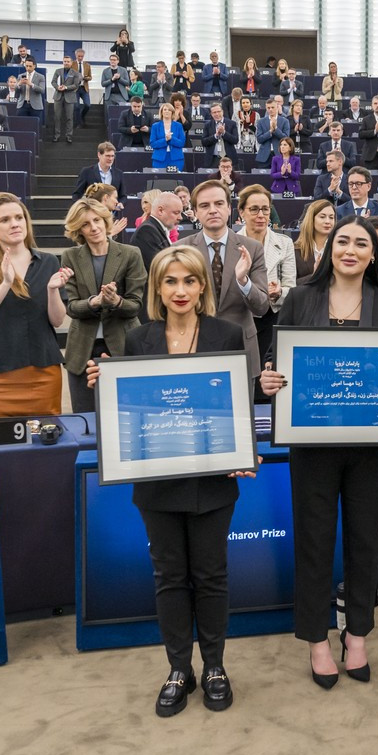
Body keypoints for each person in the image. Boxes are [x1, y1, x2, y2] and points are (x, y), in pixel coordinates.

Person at [86, 245, 253, 717]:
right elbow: (131, 412)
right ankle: (179, 669)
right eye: (170, 282)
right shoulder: (138, 340)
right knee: (169, 576)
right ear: (157, 289)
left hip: (214, 481)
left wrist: (241, 450)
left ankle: (215, 666)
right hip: (156, 482)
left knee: (212, 575)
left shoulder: (226, 334)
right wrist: (106, 385)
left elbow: (234, 405)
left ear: (203, 287)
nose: (180, 290)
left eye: (189, 281)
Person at [257, 216, 378, 692]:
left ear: (373, 254)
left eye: (361, 243)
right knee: (314, 540)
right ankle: (317, 640)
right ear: (329, 248)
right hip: (313, 446)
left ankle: (357, 634)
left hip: (369, 449)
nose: (349, 249)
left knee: (364, 541)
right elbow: (275, 365)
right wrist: (269, 381)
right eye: (342, 240)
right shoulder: (301, 298)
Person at [0, 193, 72, 417]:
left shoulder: (49, 261)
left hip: (42, 372)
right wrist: (5, 284)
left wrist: (52, 291)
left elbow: (58, 320)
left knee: (44, 442)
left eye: (19, 217)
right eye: (5, 220)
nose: (14, 224)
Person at [177, 180, 270, 378]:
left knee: (244, 409)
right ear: (194, 211)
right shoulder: (180, 249)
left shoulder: (252, 248)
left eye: (219, 204)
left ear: (229, 208)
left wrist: (243, 281)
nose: (212, 210)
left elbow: (261, 307)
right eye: (204, 205)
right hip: (195, 346)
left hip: (240, 347)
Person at [60, 198, 146, 412]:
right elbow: (71, 308)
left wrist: (115, 301)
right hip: (82, 350)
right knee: (85, 417)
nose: (94, 227)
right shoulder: (70, 256)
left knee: (128, 413)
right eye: (86, 224)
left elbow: (135, 306)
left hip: (123, 345)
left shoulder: (130, 253)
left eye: (97, 220)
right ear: (78, 229)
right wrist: (95, 301)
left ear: (105, 219)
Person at [236, 185, 296, 367]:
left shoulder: (284, 243)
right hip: (241, 317)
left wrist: (280, 292)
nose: (260, 215)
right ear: (241, 212)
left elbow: (290, 286)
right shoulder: (231, 242)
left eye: (265, 209)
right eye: (254, 209)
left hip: (272, 315)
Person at [295, 200, 336, 282]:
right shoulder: (295, 250)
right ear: (311, 219)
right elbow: (290, 285)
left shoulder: (338, 249)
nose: (328, 221)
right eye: (322, 217)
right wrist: (314, 275)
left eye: (331, 217)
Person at [51, 57, 80, 143]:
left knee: (69, 117)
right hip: (58, 96)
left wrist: (66, 87)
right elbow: (53, 82)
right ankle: (57, 135)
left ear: (71, 63)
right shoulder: (58, 71)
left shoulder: (75, 73)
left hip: (69, 97)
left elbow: (75, 85)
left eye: (68, 61)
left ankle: (69, 136)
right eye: (65, 61)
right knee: (57, 117)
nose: (66, 63)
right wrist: (57, 87)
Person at [255, 98, 290, 167]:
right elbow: (259, 139)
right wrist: (270, 132)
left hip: (280, 154)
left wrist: (276, 129)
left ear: (277, 107)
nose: (270, 109)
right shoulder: (261, 122)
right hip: (264, 156)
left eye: (272, 107)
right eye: (268, 108)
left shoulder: (284, 121)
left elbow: (286, 138)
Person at [150, 104, 186, 171]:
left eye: (169, 110)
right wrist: (165, 140)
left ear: (172, 112)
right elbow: (153, 143)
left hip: (176, 159)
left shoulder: (179, 126)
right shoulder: (155, 126)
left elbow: (182, 143)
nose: (167, 111)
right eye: (165, 110)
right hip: (159, 159)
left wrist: (171, 139)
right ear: (161, 112)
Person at [15, 59, 45, 124]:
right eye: (26, 66)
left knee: (35, 125)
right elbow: (16, 91)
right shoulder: (20, 76)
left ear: (34, 66)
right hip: (22, 104)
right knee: (20, 124)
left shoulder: (41, 77)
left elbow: (42, 90)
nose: (28, 68)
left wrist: (31, 84)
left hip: (35, 105)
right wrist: (19, 84)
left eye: (30, 66)